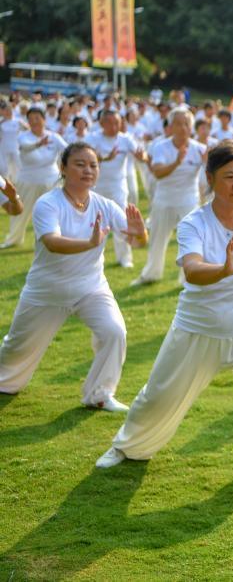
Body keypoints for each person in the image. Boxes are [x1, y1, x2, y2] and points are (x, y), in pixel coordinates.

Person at [96, 140, 233, 488]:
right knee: (159, 394)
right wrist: (224, 269)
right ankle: (127, 447)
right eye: (229, 177)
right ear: (210, 179)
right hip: (198, 328)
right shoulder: (194, 223)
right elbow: (193, 270)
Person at [0, 143, 147, 410]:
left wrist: (140, 233)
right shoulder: (49, 203)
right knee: (14, 353)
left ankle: (99, 394)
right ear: (63, 168)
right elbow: (53, 242)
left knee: (114, 332)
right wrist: (89, 244)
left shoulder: (105, 204)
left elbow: (137, 243)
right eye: (80, 164)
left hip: (91, 288)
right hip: (46, 290)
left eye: (93, 165)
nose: (88, 170)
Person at [132, 108, 207, 285]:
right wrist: (177, 162)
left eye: (186, 124)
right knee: (158, 238)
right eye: (179, 124)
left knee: (190, 240)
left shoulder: (199, 149)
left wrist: (206, 163)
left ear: (191, 127)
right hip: (164, 199)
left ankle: (188, 277)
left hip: (188, 200)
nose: (183, 128)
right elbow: (158, 173)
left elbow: (211, 176)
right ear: (171, 127)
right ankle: (151, 274)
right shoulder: (161, 147)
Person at [86, 109, 148, 268]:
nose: (114, 127)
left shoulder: (125, 139)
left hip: (118, 187)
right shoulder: (93, 138)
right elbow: (85, 158)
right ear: (101, 124)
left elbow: (142, 154)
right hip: (95, 187)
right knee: (92, 223)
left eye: (117, 123)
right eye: (109, 123)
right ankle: (89, 258)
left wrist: (143, 157)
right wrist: (105, 158)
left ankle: (125, 258)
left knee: (121, 221)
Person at [1, 107, 68, 248]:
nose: (34, 121)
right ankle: (14, 239)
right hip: (28, 180)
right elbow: (25, 147)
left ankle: (57, 237)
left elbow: (68, 150)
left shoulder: (54, 136)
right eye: (31, 119)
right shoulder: (23, 137)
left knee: (54, 210)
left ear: (44, 119)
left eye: (37, 118)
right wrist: (38, 144)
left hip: (51, 180)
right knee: (20, 211)